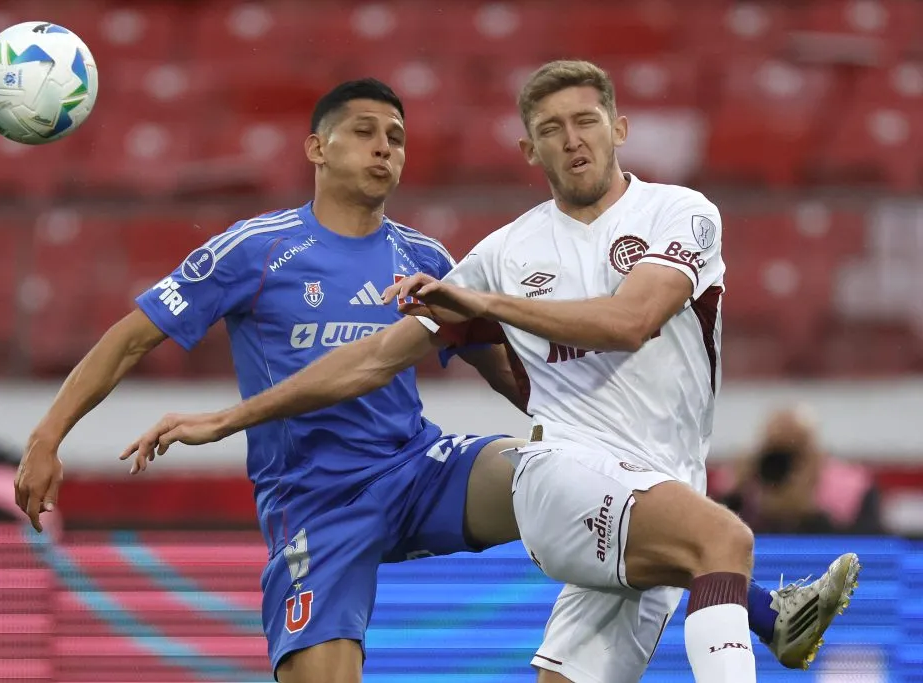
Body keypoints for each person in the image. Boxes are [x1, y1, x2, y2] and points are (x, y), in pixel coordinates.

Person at [123, 61, 860, 683]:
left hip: (664, 476)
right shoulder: (500, 254)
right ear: (528, 151)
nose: (572, 140)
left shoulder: (681, 213)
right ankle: (773, 614)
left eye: (586, 121)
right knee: (721, 540)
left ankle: (773, 614)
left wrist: (484, 308)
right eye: (550, 130)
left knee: (597, 643)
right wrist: (228, 417)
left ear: (618, 128)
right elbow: (374, 357)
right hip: (560, 473)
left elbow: (630, 320)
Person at [14, 78, 525, 683]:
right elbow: (131, 338)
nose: (384, 148)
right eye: (364, 132)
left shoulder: (428, 259)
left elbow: (504, 372)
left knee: (562, 480)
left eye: (396, 138)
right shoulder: (255, 250)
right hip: (314, 501)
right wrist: (47, 437)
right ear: (317, 148)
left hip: (417, 468)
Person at [717, 406, 885, 535]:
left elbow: (867, 550)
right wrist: (736, 495)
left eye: (795, 455)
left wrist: (810, 513)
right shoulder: (738, 481)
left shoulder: (854, 488)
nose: (783, 467)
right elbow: (714, 536)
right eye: (776, 454)